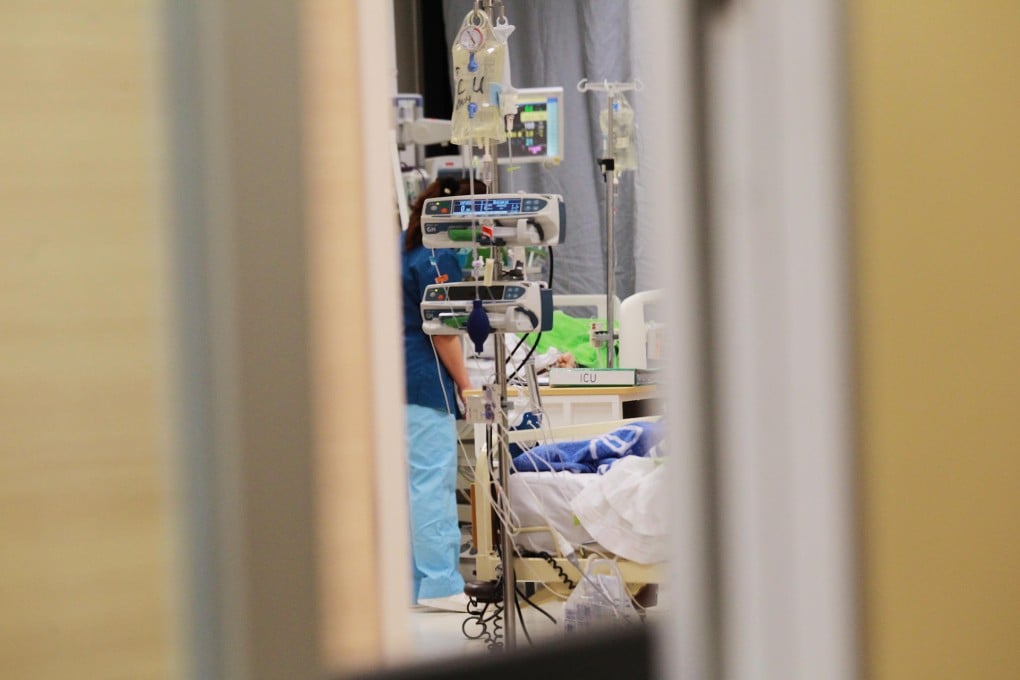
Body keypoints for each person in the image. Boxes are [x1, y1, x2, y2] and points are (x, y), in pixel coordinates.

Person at [401, 176, 483, 612]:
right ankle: (440, 584)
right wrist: (468, 386)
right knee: (431, 484)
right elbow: (443, 331)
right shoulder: (439, 254)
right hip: (423, 381)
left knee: (409, 488)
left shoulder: (404, 243)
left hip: (395, 381)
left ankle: (415, 583)